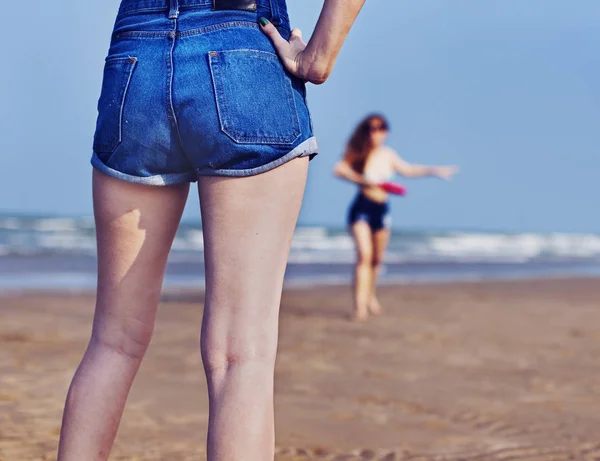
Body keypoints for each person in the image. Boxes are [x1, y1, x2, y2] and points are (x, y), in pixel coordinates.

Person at [57, 0, 366, 460]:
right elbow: (317, 56)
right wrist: (317, 56)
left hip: (136, 54)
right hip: (243, 43)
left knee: (113, 342)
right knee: (241, 355)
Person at [334, 114, 458, 322]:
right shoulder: (358, 152)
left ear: (386, 132)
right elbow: (339, 169)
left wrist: (434, 171)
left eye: (380, 128)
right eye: (371, 128)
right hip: (362, 206)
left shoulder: (388, 155)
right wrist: (363, 180)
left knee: (377, 259)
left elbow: (408, 170)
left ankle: (371, 295)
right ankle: (359, 307)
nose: (376, 133)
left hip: (381, 209)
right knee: (364, 256)